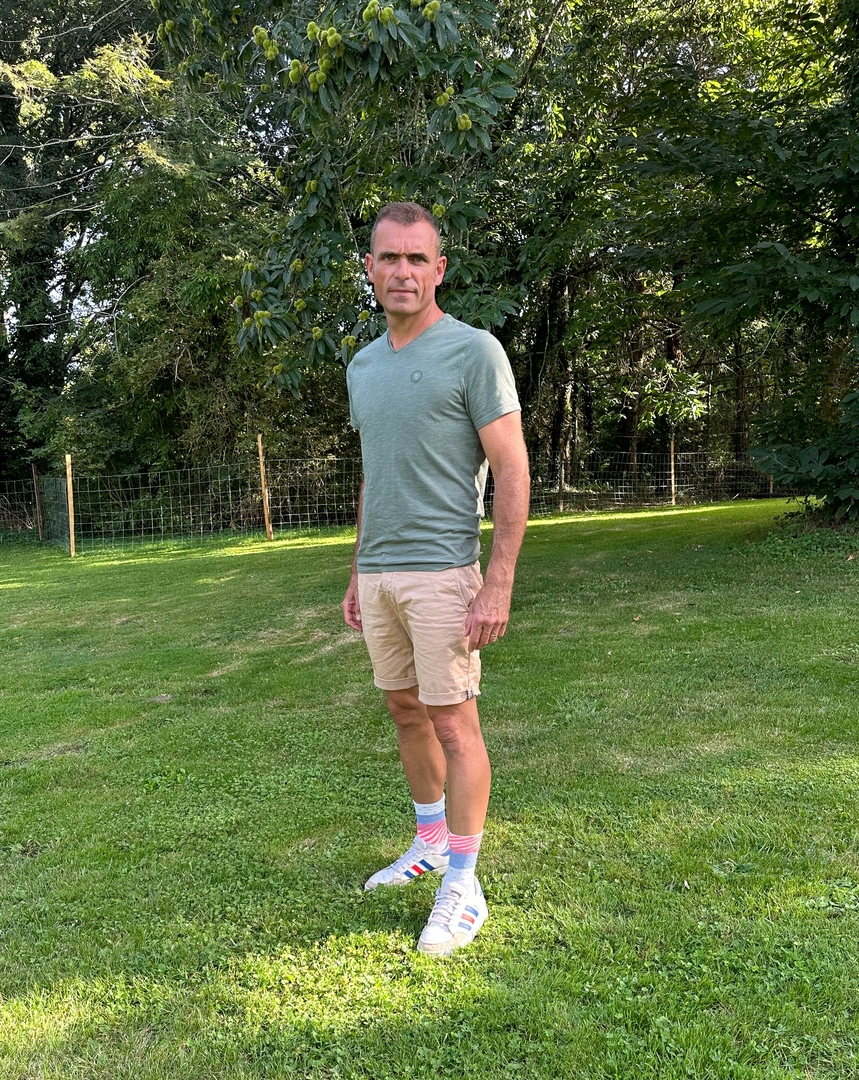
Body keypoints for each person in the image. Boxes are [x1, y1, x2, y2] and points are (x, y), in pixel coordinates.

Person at [342, 201, 530, 956]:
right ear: (370, 268)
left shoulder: (473, 352)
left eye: (417, 258)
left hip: (444, 572)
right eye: (389, 257)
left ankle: (463, 882)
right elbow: (374, 475)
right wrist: (356, 570)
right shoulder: (362, 365)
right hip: (380, 573)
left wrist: (498, 582)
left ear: (439, 269)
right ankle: (425, 843)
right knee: (403, 709)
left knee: (454, 722)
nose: (403, 271)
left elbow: (512, 469)